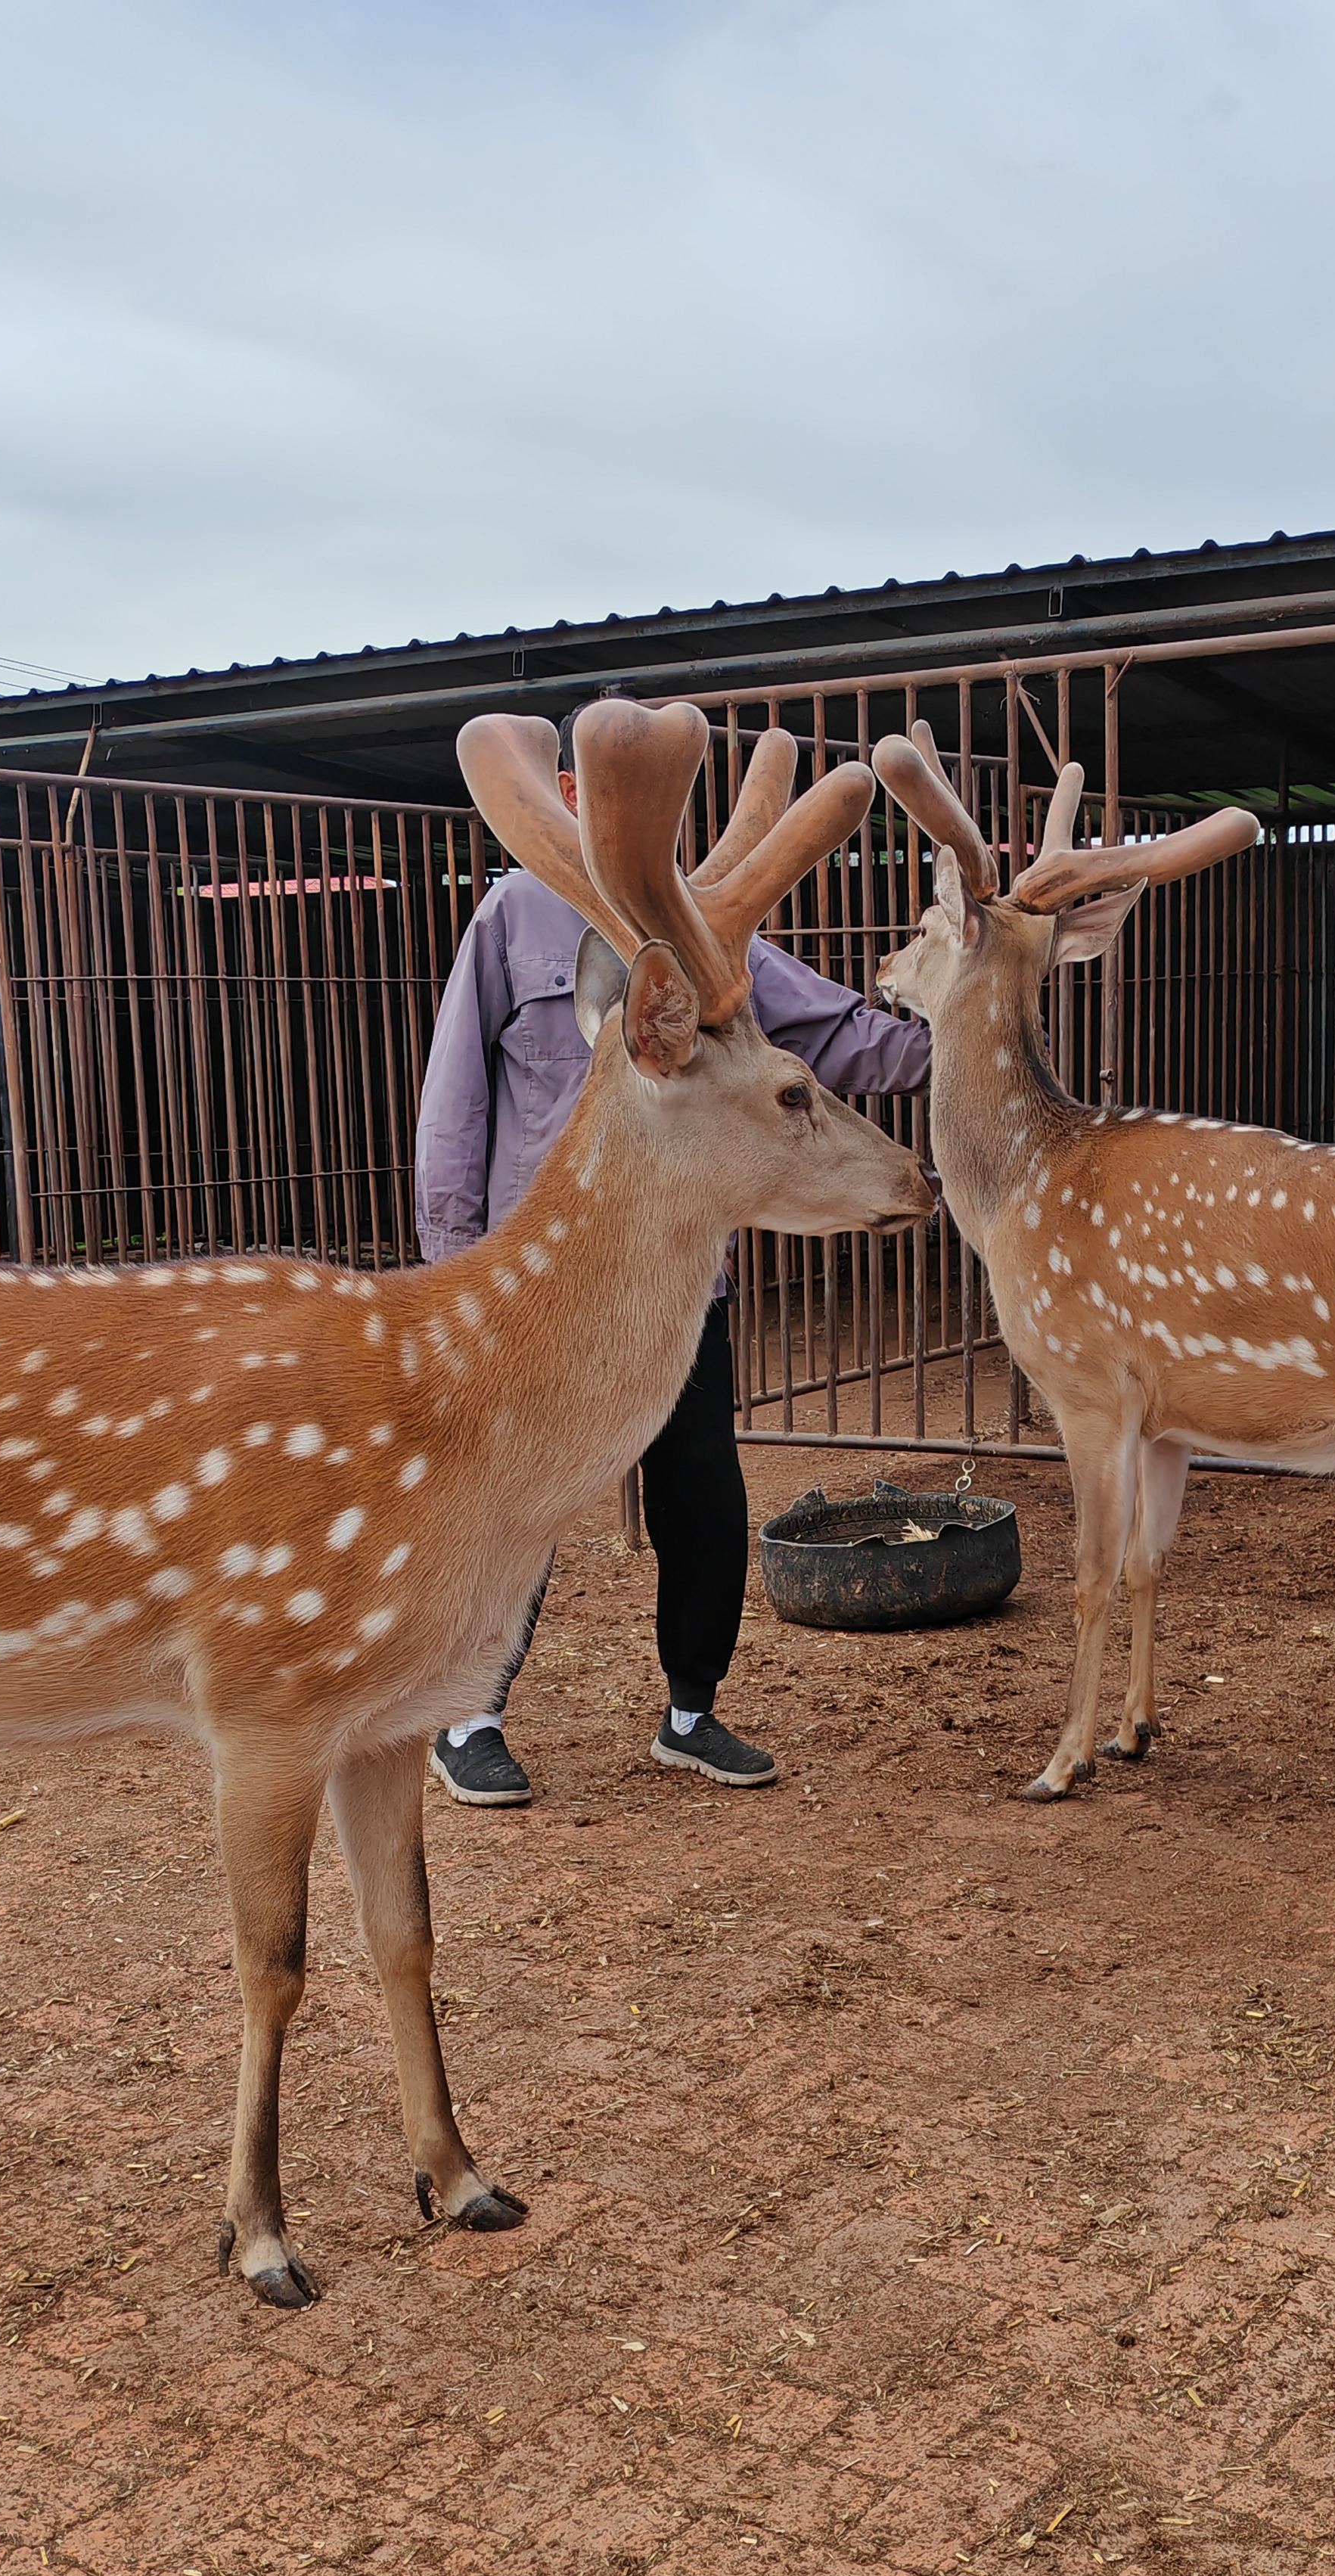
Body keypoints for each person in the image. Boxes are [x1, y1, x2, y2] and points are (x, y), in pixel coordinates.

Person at [414, 698, 930, 1806]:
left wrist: (969, 1007)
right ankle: (469, 1718)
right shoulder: (510, 915)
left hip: (684, 1280)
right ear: (565, 806)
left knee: (702, 1489)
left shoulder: (708, 923)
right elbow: (457, 1094)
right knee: (513, 1504)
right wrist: (454, 1258)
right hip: (541, 1280)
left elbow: (839, 1040)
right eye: (580, 796)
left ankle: (691, 1711)